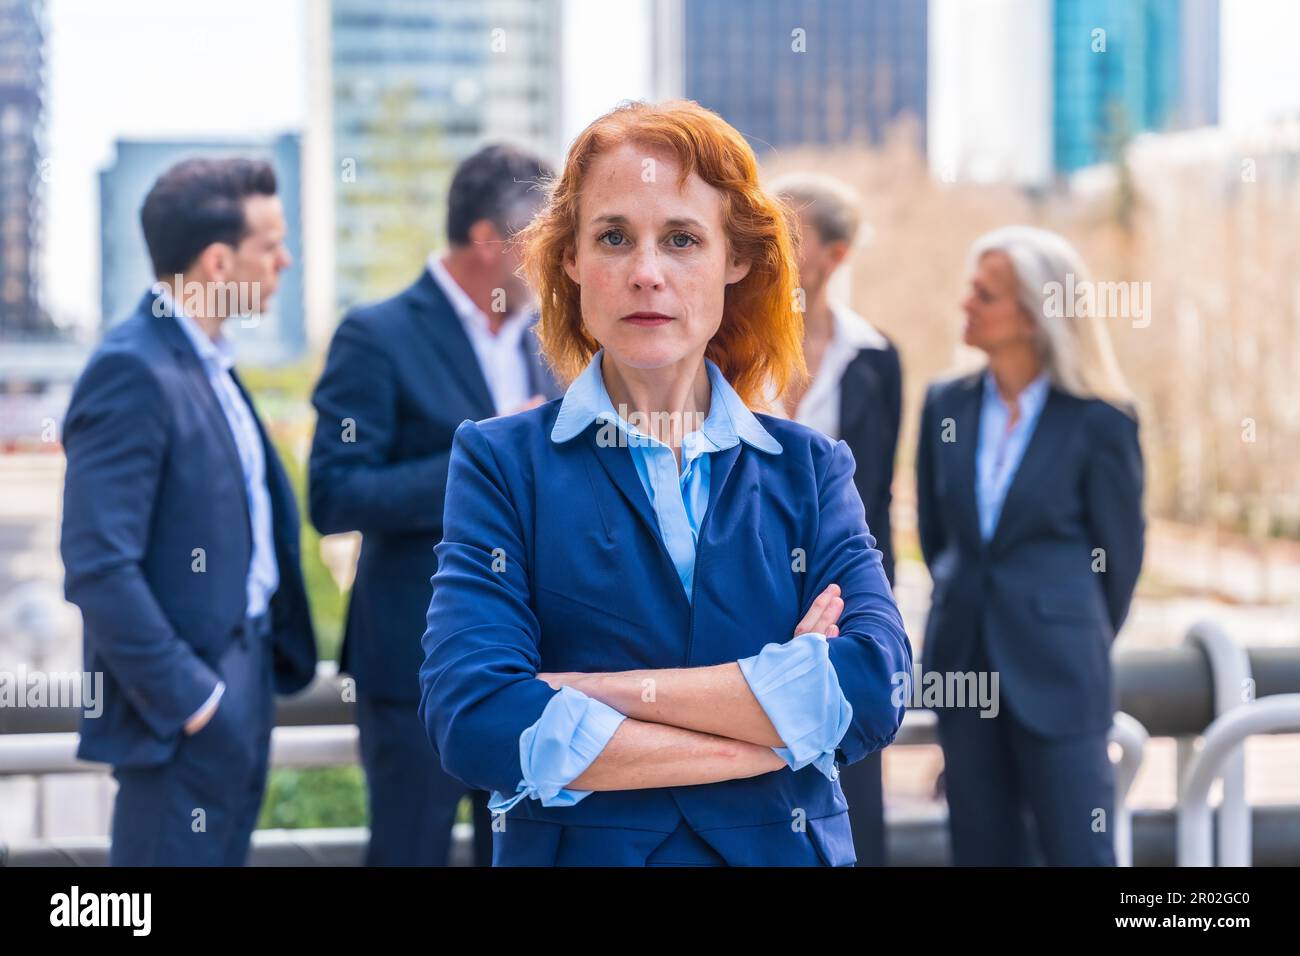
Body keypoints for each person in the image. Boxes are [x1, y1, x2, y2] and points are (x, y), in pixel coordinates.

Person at [419, 100, 912, 867]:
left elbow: (871, 688)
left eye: (682, 239)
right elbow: (477, 717)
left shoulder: (811, 470)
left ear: (736, 259)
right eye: (613, 237)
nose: (646, 273)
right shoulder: (500, 463)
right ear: (572, 262)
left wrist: (586, 690)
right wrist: (767, 735)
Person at [308, 144, 561, 866]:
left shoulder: (550, 346)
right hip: (413, 665)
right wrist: (482, 453)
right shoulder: (376, 335)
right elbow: (333, 494)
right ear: (489, 240)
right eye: (542, 243)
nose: (557, 262)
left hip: (534, 664)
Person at [60, 158, 317, 866]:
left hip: (246, 677)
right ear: (215, 261)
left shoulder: (210, 362)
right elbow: (97, 565)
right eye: (270, 246)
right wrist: (194, 699)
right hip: (182, 716)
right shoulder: (132, 369)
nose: (285, 262)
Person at [915, 225, 1145, 866]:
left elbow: (1118, 564)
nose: (965, 303)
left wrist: (1068, 634)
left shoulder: (1100, 419)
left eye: (984, 295)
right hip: (965, 671)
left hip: (1062, 675)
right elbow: (941, 542)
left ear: (1036, 313)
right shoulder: (945, 405)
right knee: (981, 852)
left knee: (1079, 852)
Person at [765, 172, 902, 867]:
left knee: (853, 801)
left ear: (835, 256)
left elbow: (875, 507)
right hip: (749, 602)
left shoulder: (875, 357)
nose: (772, 245)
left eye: (791, 234)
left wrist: (874, 619)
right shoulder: (729, 352)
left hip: (840, 607)